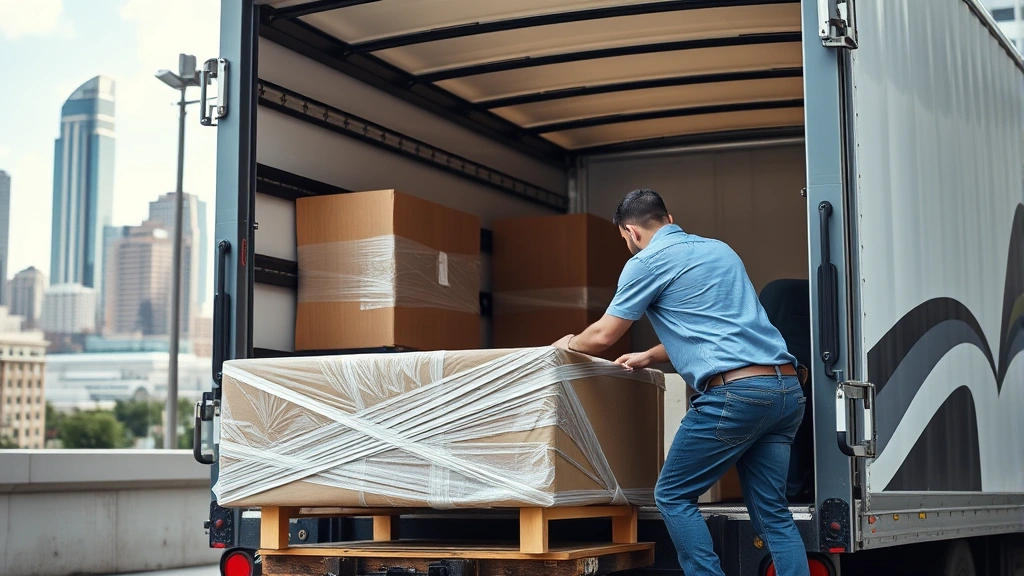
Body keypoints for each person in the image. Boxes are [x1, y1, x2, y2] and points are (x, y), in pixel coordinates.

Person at [553, 189, 809, 576]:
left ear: (630, 232)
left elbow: (604, 336)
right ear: (669, 218)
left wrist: (566, 343)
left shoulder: (647, 262)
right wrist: (651, 355)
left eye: (625, 238)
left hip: (736, 395)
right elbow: (720, 330)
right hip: (785, 392)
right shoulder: (720, 251)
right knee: (773, 515)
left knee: (672, 494)